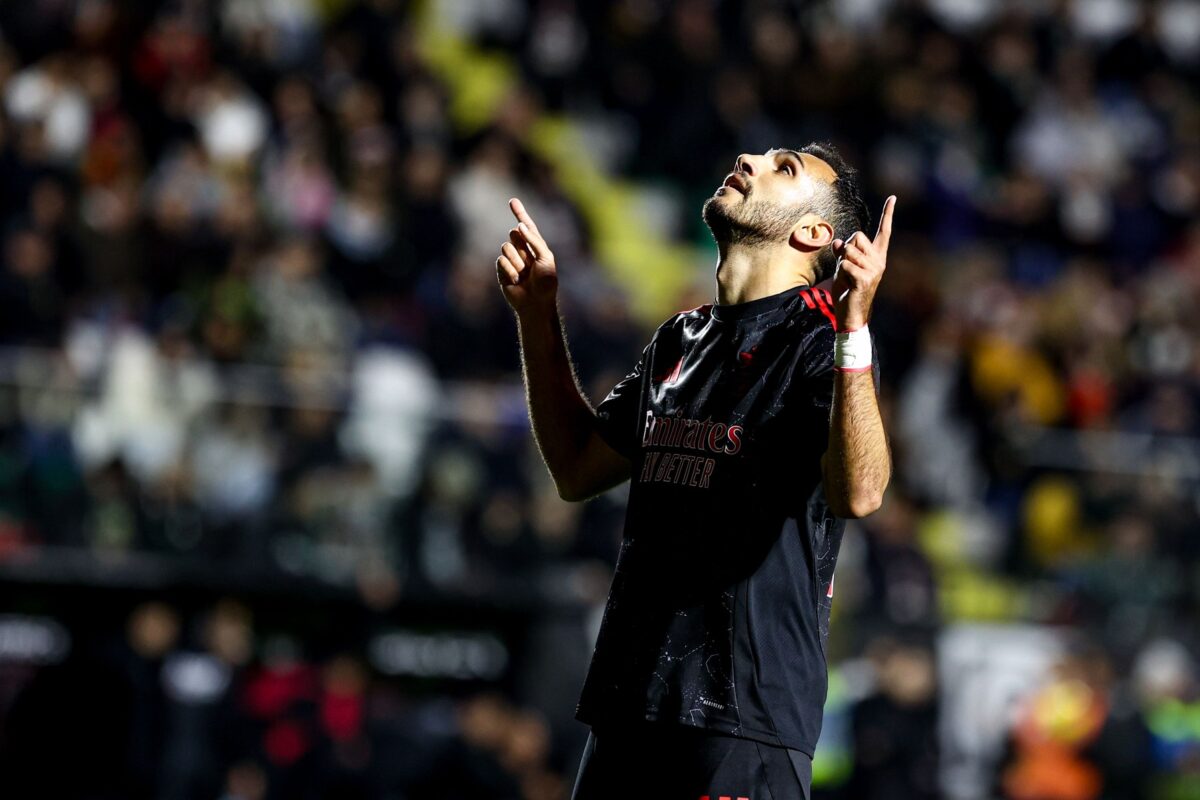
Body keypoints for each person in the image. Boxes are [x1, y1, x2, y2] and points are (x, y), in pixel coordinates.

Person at [495, 142, 894, 800]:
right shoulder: (680, 339)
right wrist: (538, 316)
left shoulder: (823, 338)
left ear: (814, 233)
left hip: (742, 720)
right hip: (629, 703)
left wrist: (856, 330)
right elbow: (576, 468)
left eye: (784, 167)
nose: (751, 157)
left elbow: (862, 493)